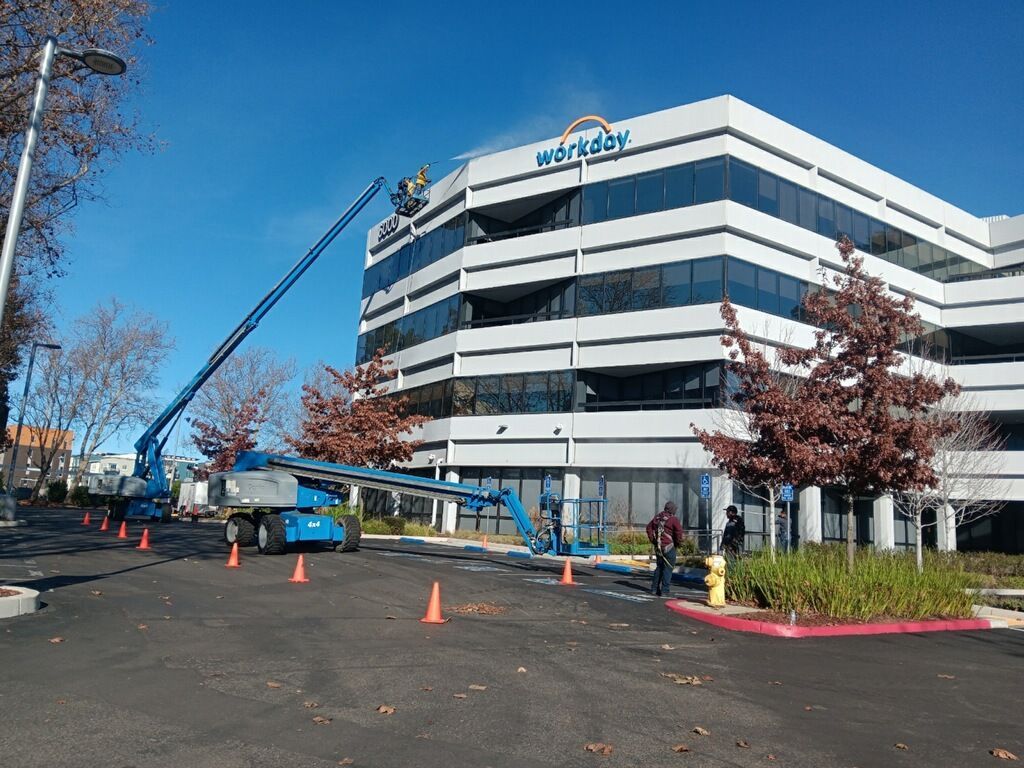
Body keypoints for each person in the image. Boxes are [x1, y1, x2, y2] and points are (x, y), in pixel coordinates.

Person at [646, 501, 684, 598]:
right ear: (672, 510)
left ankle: (654, 589)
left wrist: (653, 540)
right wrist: (678, 544)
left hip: (658, 547)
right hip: (669, 547)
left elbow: (648, 528)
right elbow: (679, 533)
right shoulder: (673, 519)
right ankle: (664, 591)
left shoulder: (657, 517)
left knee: (659, 567)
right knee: (668, 569)